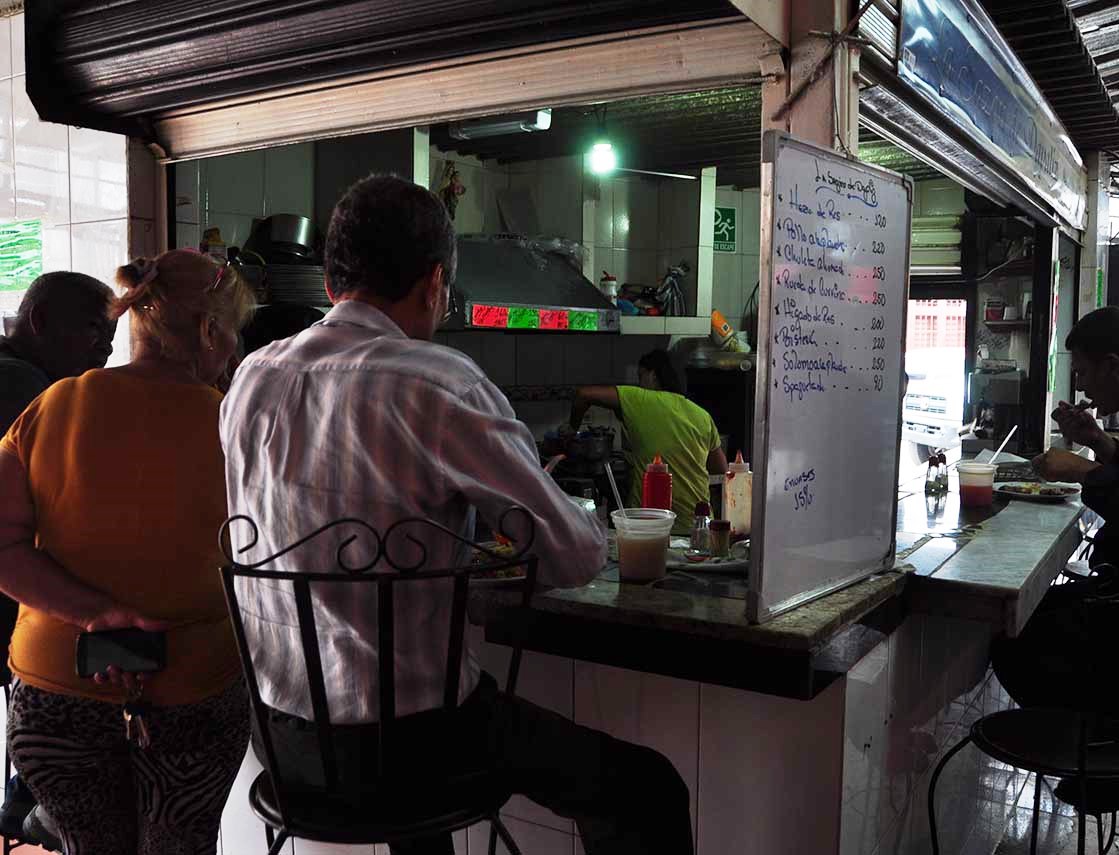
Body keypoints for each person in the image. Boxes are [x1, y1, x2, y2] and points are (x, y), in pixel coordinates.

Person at [221, 175, 694, 855]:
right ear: (435, 282)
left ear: (331, 282)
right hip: (413, 747)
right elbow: (575, 556)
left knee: (417, 767)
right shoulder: (439, 380)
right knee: (646, 788)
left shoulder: (250, 378)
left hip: (283, 737)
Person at [0, 250, 255, 855]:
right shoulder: (233, 423)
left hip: (55, 694)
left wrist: (96, 612)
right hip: (190, 696)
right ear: (209, 332)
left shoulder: (51, 405)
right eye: (234, 331)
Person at [992, 307, 1119, 809]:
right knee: (1032, 617)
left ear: (1112, 365)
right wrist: (1098, 442)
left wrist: (1083, 470)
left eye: (1083, 372)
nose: (1081, 386)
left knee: (1021, 639)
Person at [0, 272, 116, 840]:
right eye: (95, 328)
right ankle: (42, 792)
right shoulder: (22, 387)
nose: (108, 346)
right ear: (42, 323)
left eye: (115, 331)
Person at [571, 350, 726, 534]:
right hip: (696, 527)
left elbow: (583, 394)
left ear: (652, 375)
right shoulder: (701, 415)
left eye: (640, 376)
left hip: (650, 527)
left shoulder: (641, 398)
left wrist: (572, 431)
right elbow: (720, 468)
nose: (639, 383)